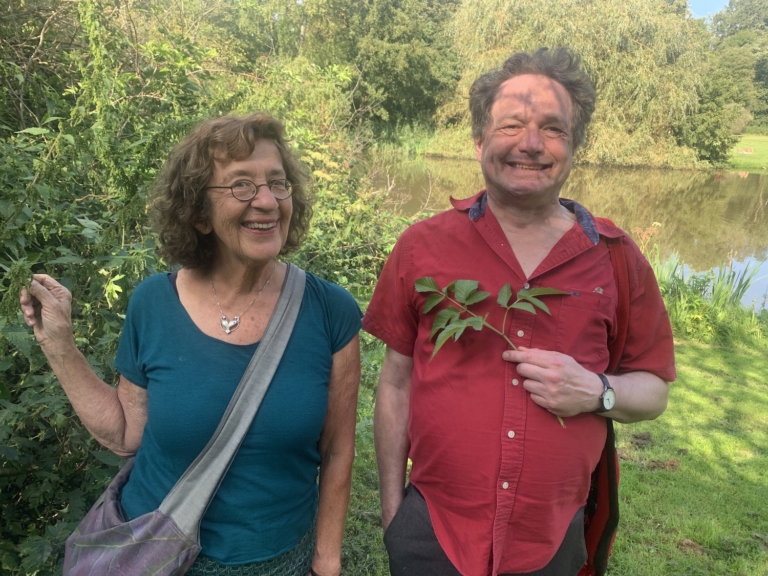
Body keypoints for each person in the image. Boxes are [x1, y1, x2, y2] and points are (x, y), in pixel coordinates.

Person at [363, 48, 675, 576]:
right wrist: (395, 514)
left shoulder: (617, 259)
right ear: (480, 139)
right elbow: (395, 385)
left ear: (575, 146)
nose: (531, 144)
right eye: (511, 125)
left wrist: (596, 391)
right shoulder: (422, 247)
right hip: (432, 532)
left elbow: (654, 390)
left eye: (553, 129)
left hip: (552, 540)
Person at [20, 113, 361, 576]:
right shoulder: (153, 304)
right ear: (199, 213)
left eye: (277, 184)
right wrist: (58, 343)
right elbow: (125, 434)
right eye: (241, 185)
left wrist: (327, 561)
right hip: (161, 557)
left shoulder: (330, 311)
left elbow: (338, 449)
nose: (266, 201)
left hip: (281, 561)